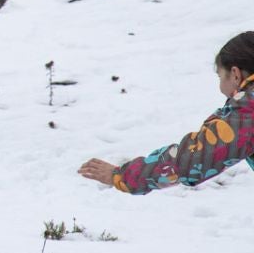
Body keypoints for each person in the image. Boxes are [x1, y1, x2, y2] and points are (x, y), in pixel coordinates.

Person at [80, 34, 254, 194]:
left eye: (220, 77)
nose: (220, 88)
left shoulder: (248, 111)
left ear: (235, 74)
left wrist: (122, 176)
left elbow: (193, 161)